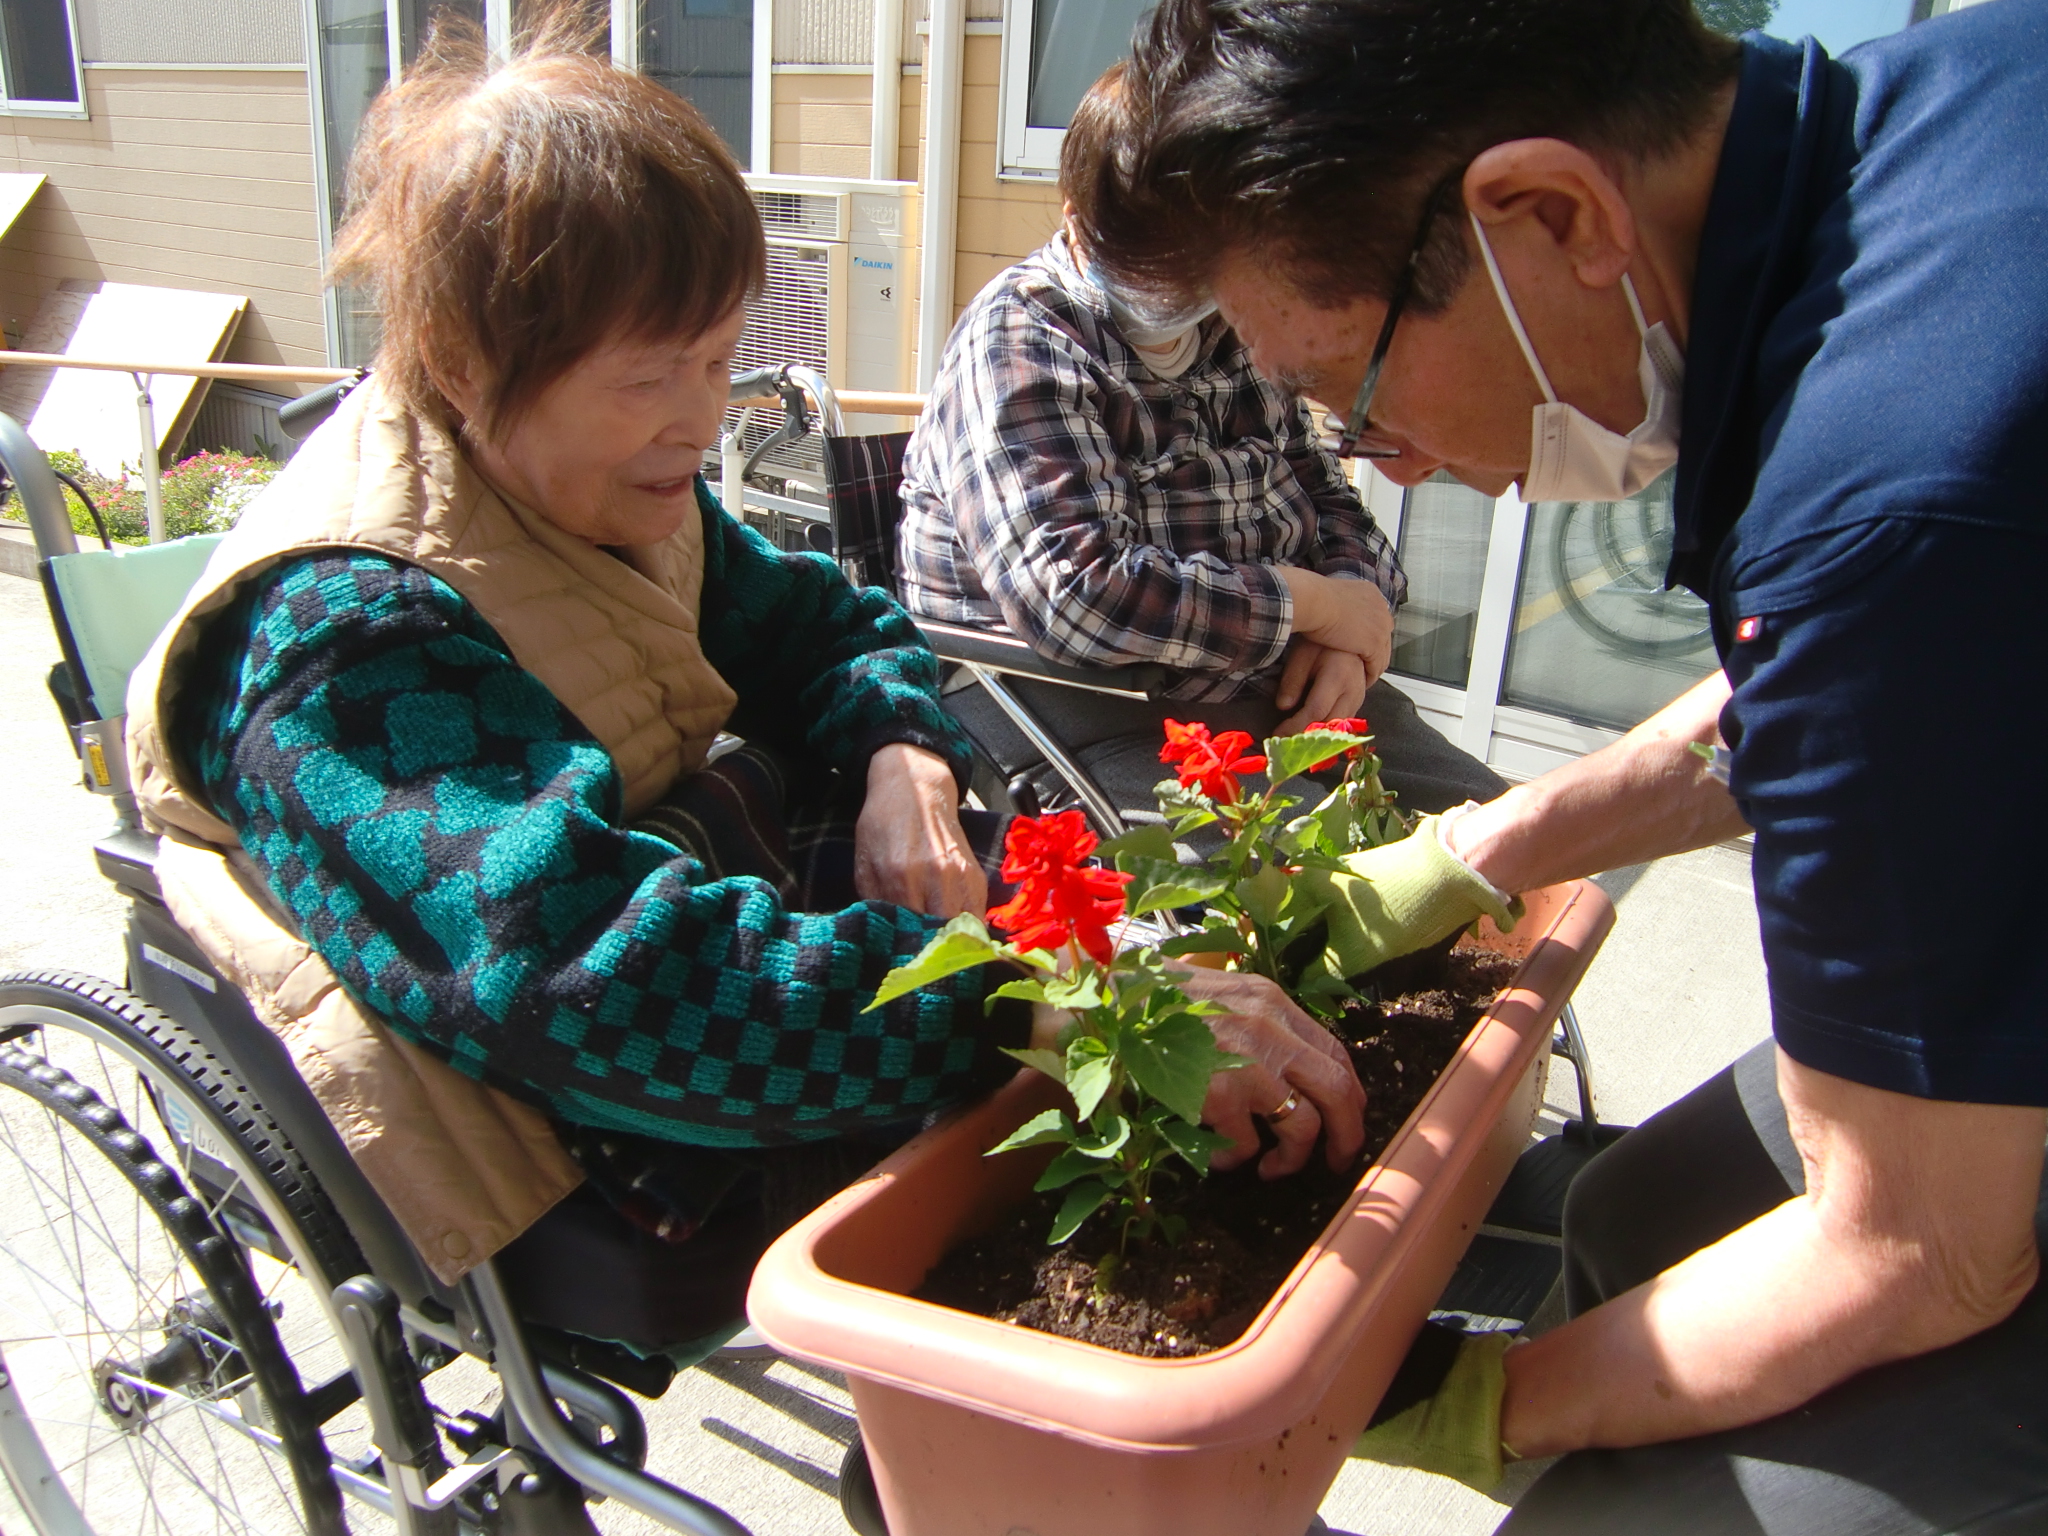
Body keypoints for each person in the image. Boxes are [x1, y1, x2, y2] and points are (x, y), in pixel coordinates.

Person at [122, 7, 1365, 1347]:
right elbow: (606, 984)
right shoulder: (344, 639)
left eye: (719, 360)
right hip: (564, 1134)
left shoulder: (603, 485)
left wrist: (906, 764)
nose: (704, 420)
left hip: (710, 924)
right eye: (656, 377)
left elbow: (833, 623)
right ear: (471, 365)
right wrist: (1053, 998)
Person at [1093, 0, 2048, 1528]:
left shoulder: (1892, 487)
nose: (1385, 461)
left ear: (1549, 213)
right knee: (1631, 1212)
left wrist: (1476, 1409)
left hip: (1957, 1210)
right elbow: (1827, 706)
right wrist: (1469, 856)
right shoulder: (1956, 101)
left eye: (1360, 396)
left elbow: (1923, 1253)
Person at [896, 65, 1504, 837]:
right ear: (1076, 217)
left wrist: (1359, 620)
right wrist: (1310, 605)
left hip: (1279, 685)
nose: (1171, 287)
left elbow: (1325, 493)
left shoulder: (1233, 325)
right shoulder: (1022, 339)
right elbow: (1076, 594)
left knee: (1509, 843)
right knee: (1327, 899)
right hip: (1087, 697)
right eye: (1143, 257)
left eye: (1193, 262)